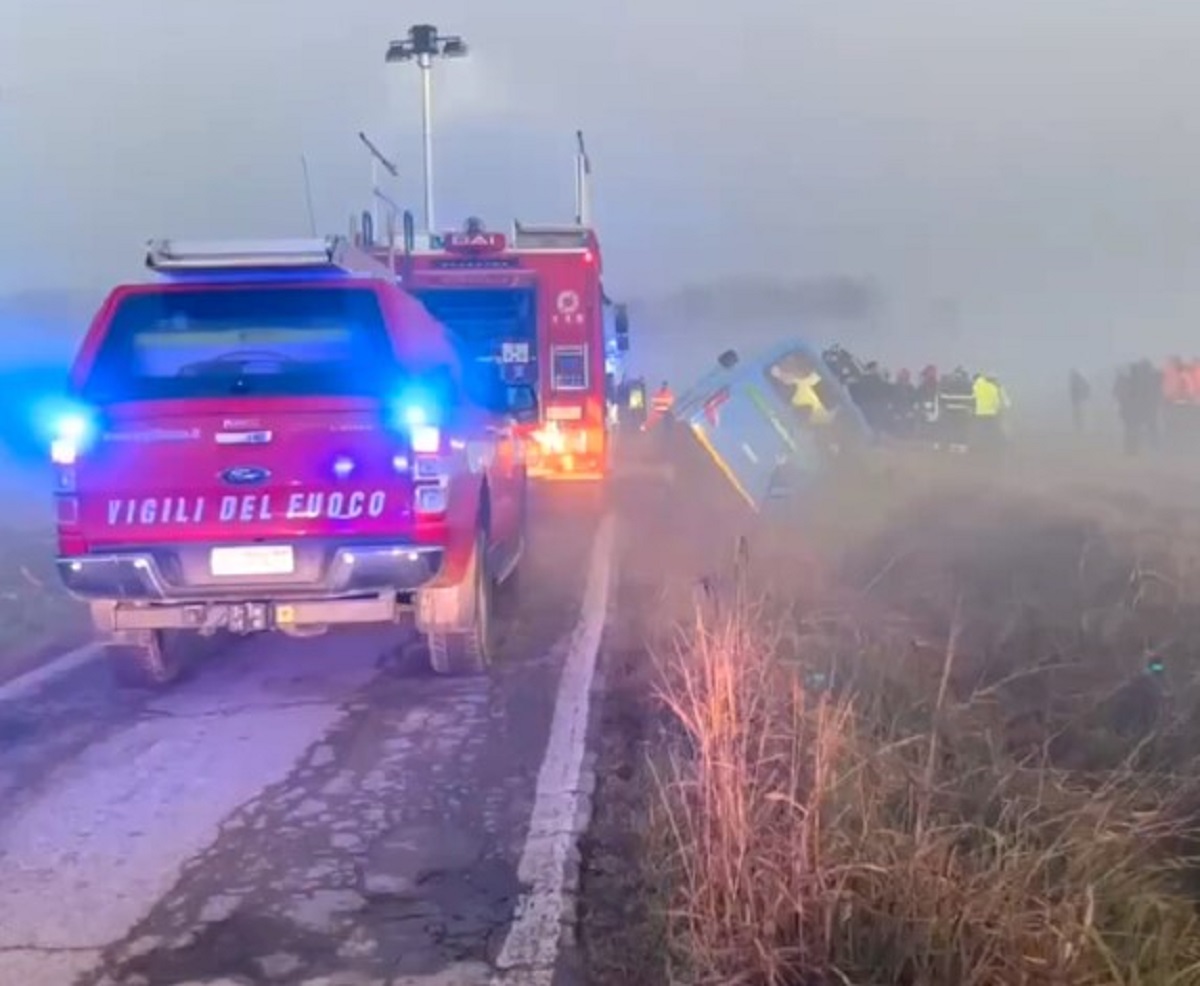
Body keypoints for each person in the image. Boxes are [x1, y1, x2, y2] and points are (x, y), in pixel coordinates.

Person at [937, 366, 974, 451]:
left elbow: (943, 397)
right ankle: (962, 445)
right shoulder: (968, 385)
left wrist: (944, 406)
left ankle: (953, 445)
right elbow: (972, 398)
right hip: (963, 410)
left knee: (953, 428)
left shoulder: (949, 384)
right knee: (962, 428)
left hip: (951, 410)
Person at [972, 372, 1009, 451]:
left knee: (982, 429)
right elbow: (1003, 401)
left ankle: (982, 445)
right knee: (996, 429)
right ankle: (1000, 444)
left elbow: (973, 397)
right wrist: (1002, 408)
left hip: (980, 412)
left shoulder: (976, 385)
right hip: (993, 412)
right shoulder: (996, 386)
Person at [1069, 368, 1091, 434]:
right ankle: (1079, 427)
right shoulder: (1075, 380)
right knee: (1077, 413)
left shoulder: (1079, 379)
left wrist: (1084, 396)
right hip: (1076, 400)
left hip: (1079, 400)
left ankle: (1080, 427)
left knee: (1080, 413)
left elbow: (1087, 386)